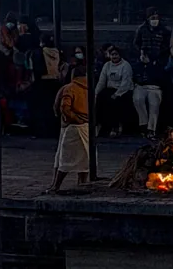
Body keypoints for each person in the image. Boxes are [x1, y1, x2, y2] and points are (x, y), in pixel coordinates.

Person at [50, 55, 91, 192]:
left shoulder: (69, 88)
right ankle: (82, 184)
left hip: (72, 126)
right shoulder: (90, 89)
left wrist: (73, 118)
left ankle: (56, 185)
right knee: (85, 158)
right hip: (86, 125)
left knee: (65, 159)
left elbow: (63, 108)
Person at [131, 10, 173, 134]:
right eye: (152, 17)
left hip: (157, 70)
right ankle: (143, 125)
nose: (155, 20)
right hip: (143, 69)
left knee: (154, 102)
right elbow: (136, 44)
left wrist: (158, 59)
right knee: (138, 99)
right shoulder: (141, 30)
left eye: (157, 17)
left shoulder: (164, 31)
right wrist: (142, 54)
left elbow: (167, 47)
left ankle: (151, 129)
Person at [95, 44, 136, 136]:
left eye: (116, 54)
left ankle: (116, 127)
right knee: (100, 99)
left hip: (123, 91)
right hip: (110, 88)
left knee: (114, 101)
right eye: (112, 54)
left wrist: (117, 94)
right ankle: (98, 125)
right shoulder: (107, 65)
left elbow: (126, 83)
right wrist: (96, 93)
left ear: (120, 55)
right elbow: (102, 81)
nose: (114, 56)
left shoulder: (126, 65)